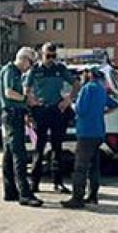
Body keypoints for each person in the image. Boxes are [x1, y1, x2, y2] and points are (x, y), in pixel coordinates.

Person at [61, 66, 118, 209]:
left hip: (86, 132)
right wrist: (101, 112)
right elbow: (114, 105)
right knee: (94, 166)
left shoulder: (86, 89)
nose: (82, 76)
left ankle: (77, 198)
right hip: (99, 132)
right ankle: (93, 195)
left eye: (84, 74)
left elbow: (80, 110)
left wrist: (71, 104)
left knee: (80, 167)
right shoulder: (101, 89)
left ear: (90, 75)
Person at [25, 42, 77, 194]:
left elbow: (76, 84)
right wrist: (31, 101)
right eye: (48, 56)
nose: (51, 59)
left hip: (56, 110)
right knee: (39, 148)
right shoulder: (35, 70)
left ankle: (58, 182)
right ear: (42, 54)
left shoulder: (60, 69)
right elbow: (25, 90)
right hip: (40, 111)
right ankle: (35, 183)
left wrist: (68, 100)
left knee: (57, 148)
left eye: (53, 56)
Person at [0, 47, 42, 207]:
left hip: (14, 114)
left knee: (9, 154)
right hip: (12, 114)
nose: (29, 67)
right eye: (30, 63)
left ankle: (10, 191)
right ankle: (25, 193)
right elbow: (9, 92)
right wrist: (26, 100)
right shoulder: (11, 70)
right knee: (19, 154)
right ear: (24, 59)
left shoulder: (14, 72)